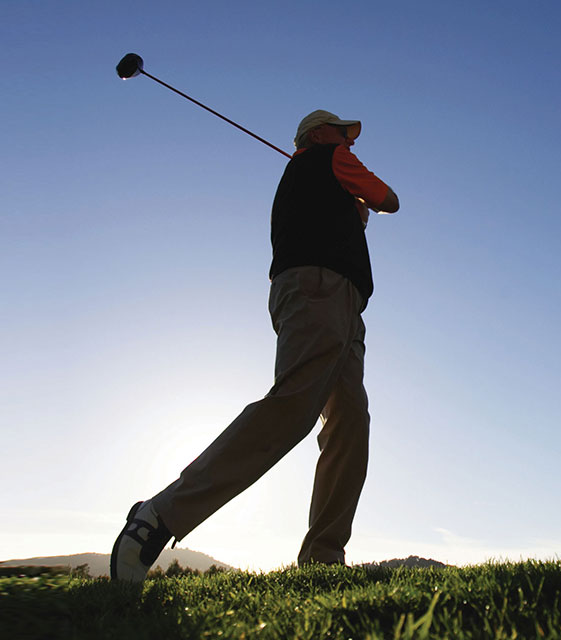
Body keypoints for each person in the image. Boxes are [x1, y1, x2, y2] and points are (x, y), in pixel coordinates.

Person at [110, 110, 400, 582]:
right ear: (319, 135)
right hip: (319, 291)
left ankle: (323, 559)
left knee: (350, 422)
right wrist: (362, 200)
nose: (349, 141)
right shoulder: (331, 157)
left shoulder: (316, 175)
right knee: (294, 409)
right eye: (341, 133)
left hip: (342, 300)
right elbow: (389, 199)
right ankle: (159, 515)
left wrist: (352, 211)